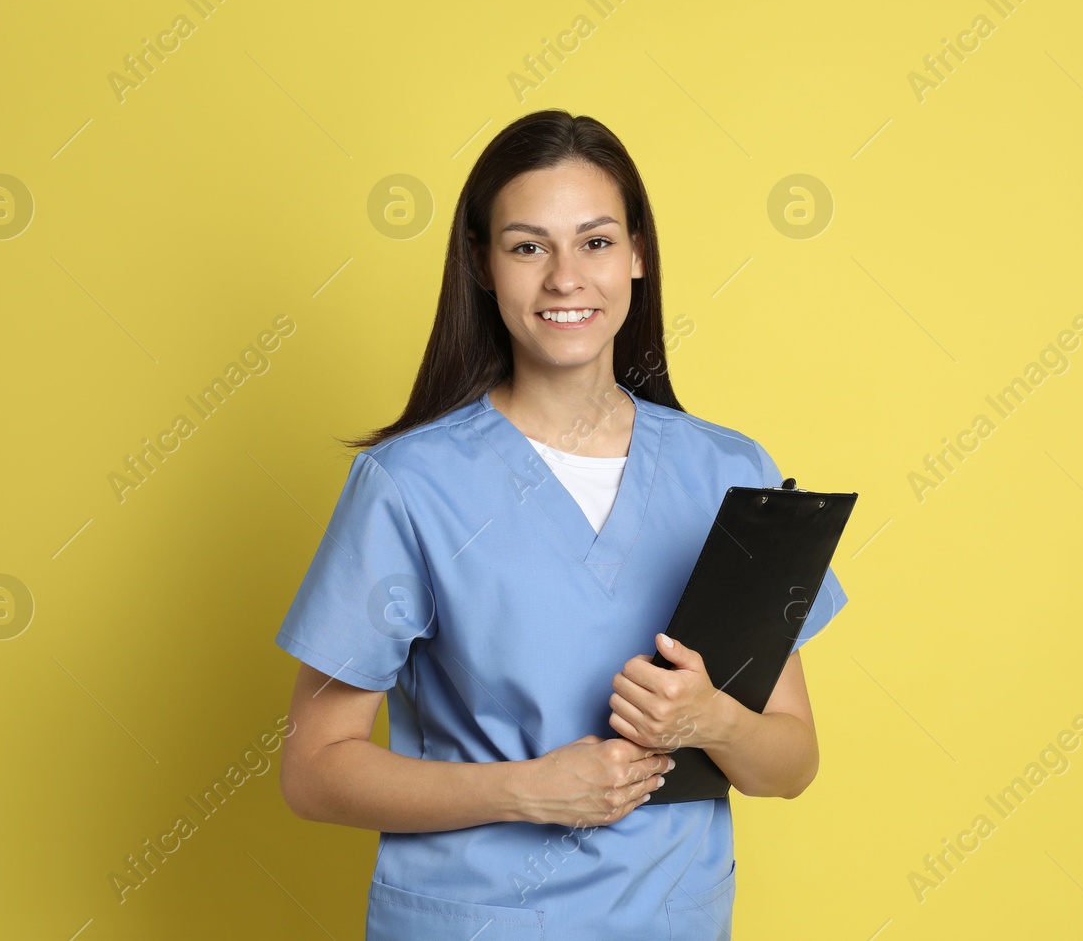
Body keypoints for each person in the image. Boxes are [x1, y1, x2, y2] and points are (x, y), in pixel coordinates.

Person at [274, 109, 849, 939]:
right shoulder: (409, 485)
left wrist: (707, 719)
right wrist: (525, 788)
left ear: (639, 253)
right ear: (481, 263)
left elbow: (789, 765)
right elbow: (313, 768)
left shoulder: (731, 472)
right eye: (528, 245)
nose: (566, 279)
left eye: (596, 241)